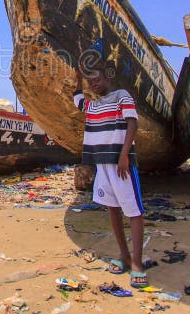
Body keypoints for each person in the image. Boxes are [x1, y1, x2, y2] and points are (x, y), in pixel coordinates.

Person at [74, 63, 147, 288]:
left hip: (120, 163)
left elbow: (132, 123)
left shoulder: (121, 96)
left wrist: (124, 155)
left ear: (107, 78)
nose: (94, 84)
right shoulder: (92, 105)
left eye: (97, 79)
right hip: (102, 164)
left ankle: (137, 263)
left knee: (133, 210)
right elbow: (77, 99)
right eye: (91, 82)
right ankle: (123, 254)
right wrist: (78, 78)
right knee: (112, 208)